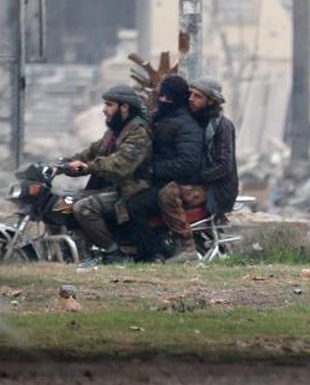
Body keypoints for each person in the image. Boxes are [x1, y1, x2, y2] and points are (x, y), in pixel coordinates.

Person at [156, 76, 240, 261]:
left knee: (168, 193)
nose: (191, 99)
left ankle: (187, 247)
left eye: (198, 96)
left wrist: (195, 177)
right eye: (191, 94)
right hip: (200, 182)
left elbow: (223, 166)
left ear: (211, 100)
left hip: (215, 188)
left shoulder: (222, 126)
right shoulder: (193, 121)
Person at [122, 75, 205, 260]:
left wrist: (154, 169)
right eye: (162, 96)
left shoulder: (187, 126)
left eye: (169, 98)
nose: (164, 101)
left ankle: (154, 253)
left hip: (175, 184)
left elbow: (188, 163)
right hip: (156, 180)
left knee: (135, 206)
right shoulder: (159, 118)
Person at [69, 85, 152, 267]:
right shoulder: (115, 131)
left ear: (124, 107)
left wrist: (88, 167)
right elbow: (93, 151)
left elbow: (121, 164)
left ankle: (114, 253)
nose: (104, 110)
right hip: (112, 187)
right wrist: (66, 163)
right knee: (64, 202)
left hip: (131, 189)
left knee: (84, 208)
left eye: (109, 104)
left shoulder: (138, 131)